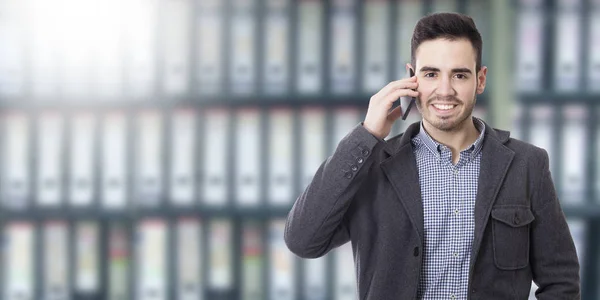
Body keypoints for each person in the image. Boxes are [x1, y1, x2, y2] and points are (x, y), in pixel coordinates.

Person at [284, 12, 580, 299]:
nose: (445, 90)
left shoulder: (527, 164)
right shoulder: (373, 166)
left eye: (459, 75)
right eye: (431, 74)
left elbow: (561, 280)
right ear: (412, 79)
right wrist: (367, 135)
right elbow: (303, 240)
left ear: (480, 79)